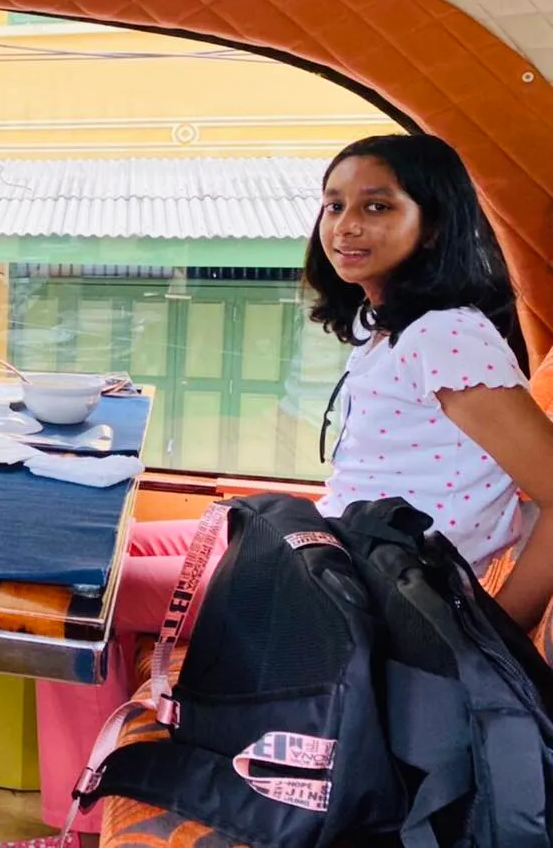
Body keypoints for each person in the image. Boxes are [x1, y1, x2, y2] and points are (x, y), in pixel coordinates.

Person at [36, 133, 553, 842]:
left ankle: (79, 825)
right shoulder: (391, 326)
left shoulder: (446, 336)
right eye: (334, 205)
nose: (346, 225)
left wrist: (501, 631)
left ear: (432, 225)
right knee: (102, 546)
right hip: (320, 547)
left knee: (75, 602)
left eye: (377, 206)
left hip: (351, 591)